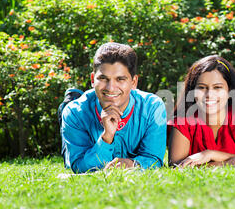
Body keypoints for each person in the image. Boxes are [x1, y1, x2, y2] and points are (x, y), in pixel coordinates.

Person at [60, 42, 167, 173]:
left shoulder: (152, 107)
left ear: (134, 82)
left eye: (120, 79)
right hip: (80, 114)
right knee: (67, 159)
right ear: (93, 80)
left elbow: (154, 159)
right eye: (103, 78)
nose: (110, 88)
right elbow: (79, 167)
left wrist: (134, 164)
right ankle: (71, 98)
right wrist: (107, 137)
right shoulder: (74, 113)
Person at [168, 55, 235, 167]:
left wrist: (210, 154)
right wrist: (228, 162)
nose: (209, 95)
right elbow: (178, 166)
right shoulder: (183, 123)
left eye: (217, 87)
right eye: (201, 87)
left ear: (230, 92)